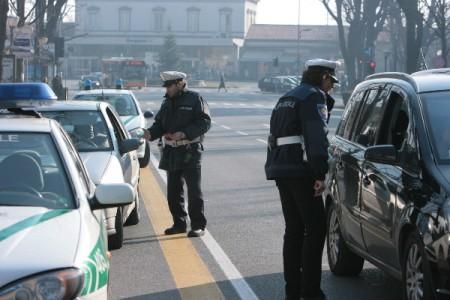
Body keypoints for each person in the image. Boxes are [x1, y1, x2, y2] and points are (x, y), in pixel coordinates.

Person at [265, 59, 339, 300]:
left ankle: (293, 291)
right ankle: (311, 291)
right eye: (331, 82)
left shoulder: (288, 96)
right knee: (316, 229)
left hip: (281, 168)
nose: (331, 88)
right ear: (324, 77)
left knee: (294, 230)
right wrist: (319, 174)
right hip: (300, 170)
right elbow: (316, 136)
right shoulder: (313, 96)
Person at [143, 71, 211, 238]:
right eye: (166, 86)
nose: (167, 90)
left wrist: (184, 133)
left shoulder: (195, 99)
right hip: (171, 151)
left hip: (190, 150)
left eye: (169, 86)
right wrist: (150, 134)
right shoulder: (167, 102)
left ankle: (198, 225)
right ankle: (179, 223)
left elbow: (205, 122)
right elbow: (160, 124)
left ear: (180, 83)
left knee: (194, 191)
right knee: (173, 191)